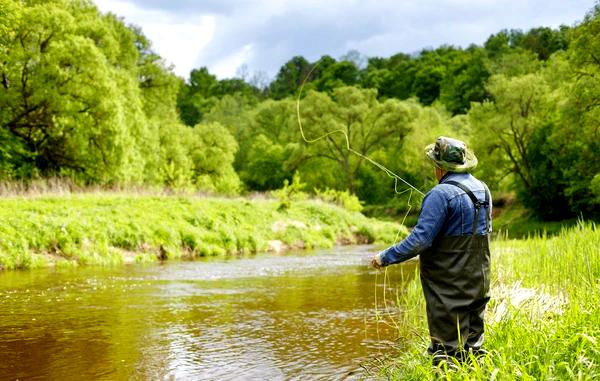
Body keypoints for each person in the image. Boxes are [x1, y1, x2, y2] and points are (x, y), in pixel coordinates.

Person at [371, 136, 492, 362]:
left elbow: (420, 240)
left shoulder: (439, 194)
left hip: (449, 287)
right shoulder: (483, 189)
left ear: (439, 166)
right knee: (474, 347)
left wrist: (385, 257)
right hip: (480, 281)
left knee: (445, 352)